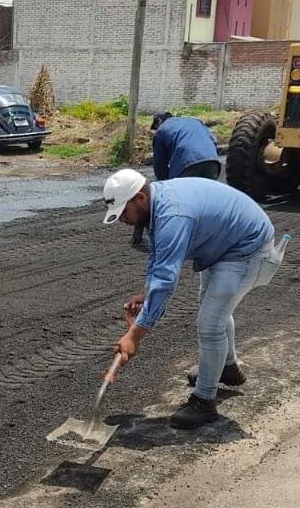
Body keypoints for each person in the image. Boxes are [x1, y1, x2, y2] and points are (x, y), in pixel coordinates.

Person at [103, 169, 275, 429]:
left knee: (211, 322)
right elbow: (159, 258)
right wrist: (146, 292)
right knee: (213, 305)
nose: (122, 220)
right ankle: (227, 367)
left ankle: (204, 402)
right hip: (225, 243)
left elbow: (167, 281)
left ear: (139, 198)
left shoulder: (173, 214)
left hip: (247, 247)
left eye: (123, 213)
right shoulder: (156, 204)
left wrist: (135, 336)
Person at [133, 112, 222, 246]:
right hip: (212, 161)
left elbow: (160, 165)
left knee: (178, 203)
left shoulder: (162, 130)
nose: (155, 130)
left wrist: (164, 187)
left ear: (158, 122)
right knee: (206, 201)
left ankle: (168, 238)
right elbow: (213, 141)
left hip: (187, 163)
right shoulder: (196, 121)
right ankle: (209, 238)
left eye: (155, 127)